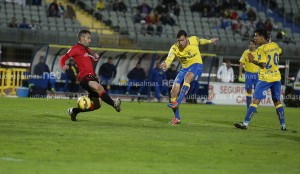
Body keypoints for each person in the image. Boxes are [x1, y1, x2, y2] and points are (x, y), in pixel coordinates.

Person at [60, 30, 121, 121]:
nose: (90, 40)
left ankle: (74, 111)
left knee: (96, 106)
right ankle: (114, 104)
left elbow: (91, 62)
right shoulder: (75, 48)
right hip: (85, 77)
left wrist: (95, 57)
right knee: (99, 88)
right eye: (88, 38)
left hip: (91, 76)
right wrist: (63, 65)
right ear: (82, 38)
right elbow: (63, 58)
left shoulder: (88, 50)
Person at [160, 30, 218, 124]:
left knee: (187, 77)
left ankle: (178, 102)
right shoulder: (175, 48)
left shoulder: (194, 39)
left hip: (197, 65)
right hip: (185, 68)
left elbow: (201, 41)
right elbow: (169, 58)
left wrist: (210, 41)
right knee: (173, 91)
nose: (180, 43)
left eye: (182, 40)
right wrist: (165, 64)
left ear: (187, 38)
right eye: (179, 40)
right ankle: (177, 118)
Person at [234, 29, 287, 131]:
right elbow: (281, 52)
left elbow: (263, 65)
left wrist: (252, 60)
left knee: (255, 100)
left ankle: (245, 124)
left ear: (262, 37)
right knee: (277, 101)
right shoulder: (275, 45)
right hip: (276, 77)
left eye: (256, 36)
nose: (255, 38)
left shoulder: (261, 49)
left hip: (265, 78)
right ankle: (283, 125)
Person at [239, 39, 259, 109]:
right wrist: (240, 73)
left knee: (257, 91)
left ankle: (254, 107)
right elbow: (241, 63)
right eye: (250, 44)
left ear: (255, 45)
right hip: (248, 74)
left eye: (252, 44)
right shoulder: (246, 52)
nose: (251, 45)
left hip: (257, 74)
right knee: (249, 90)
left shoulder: (258, 52)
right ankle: (248, 107)